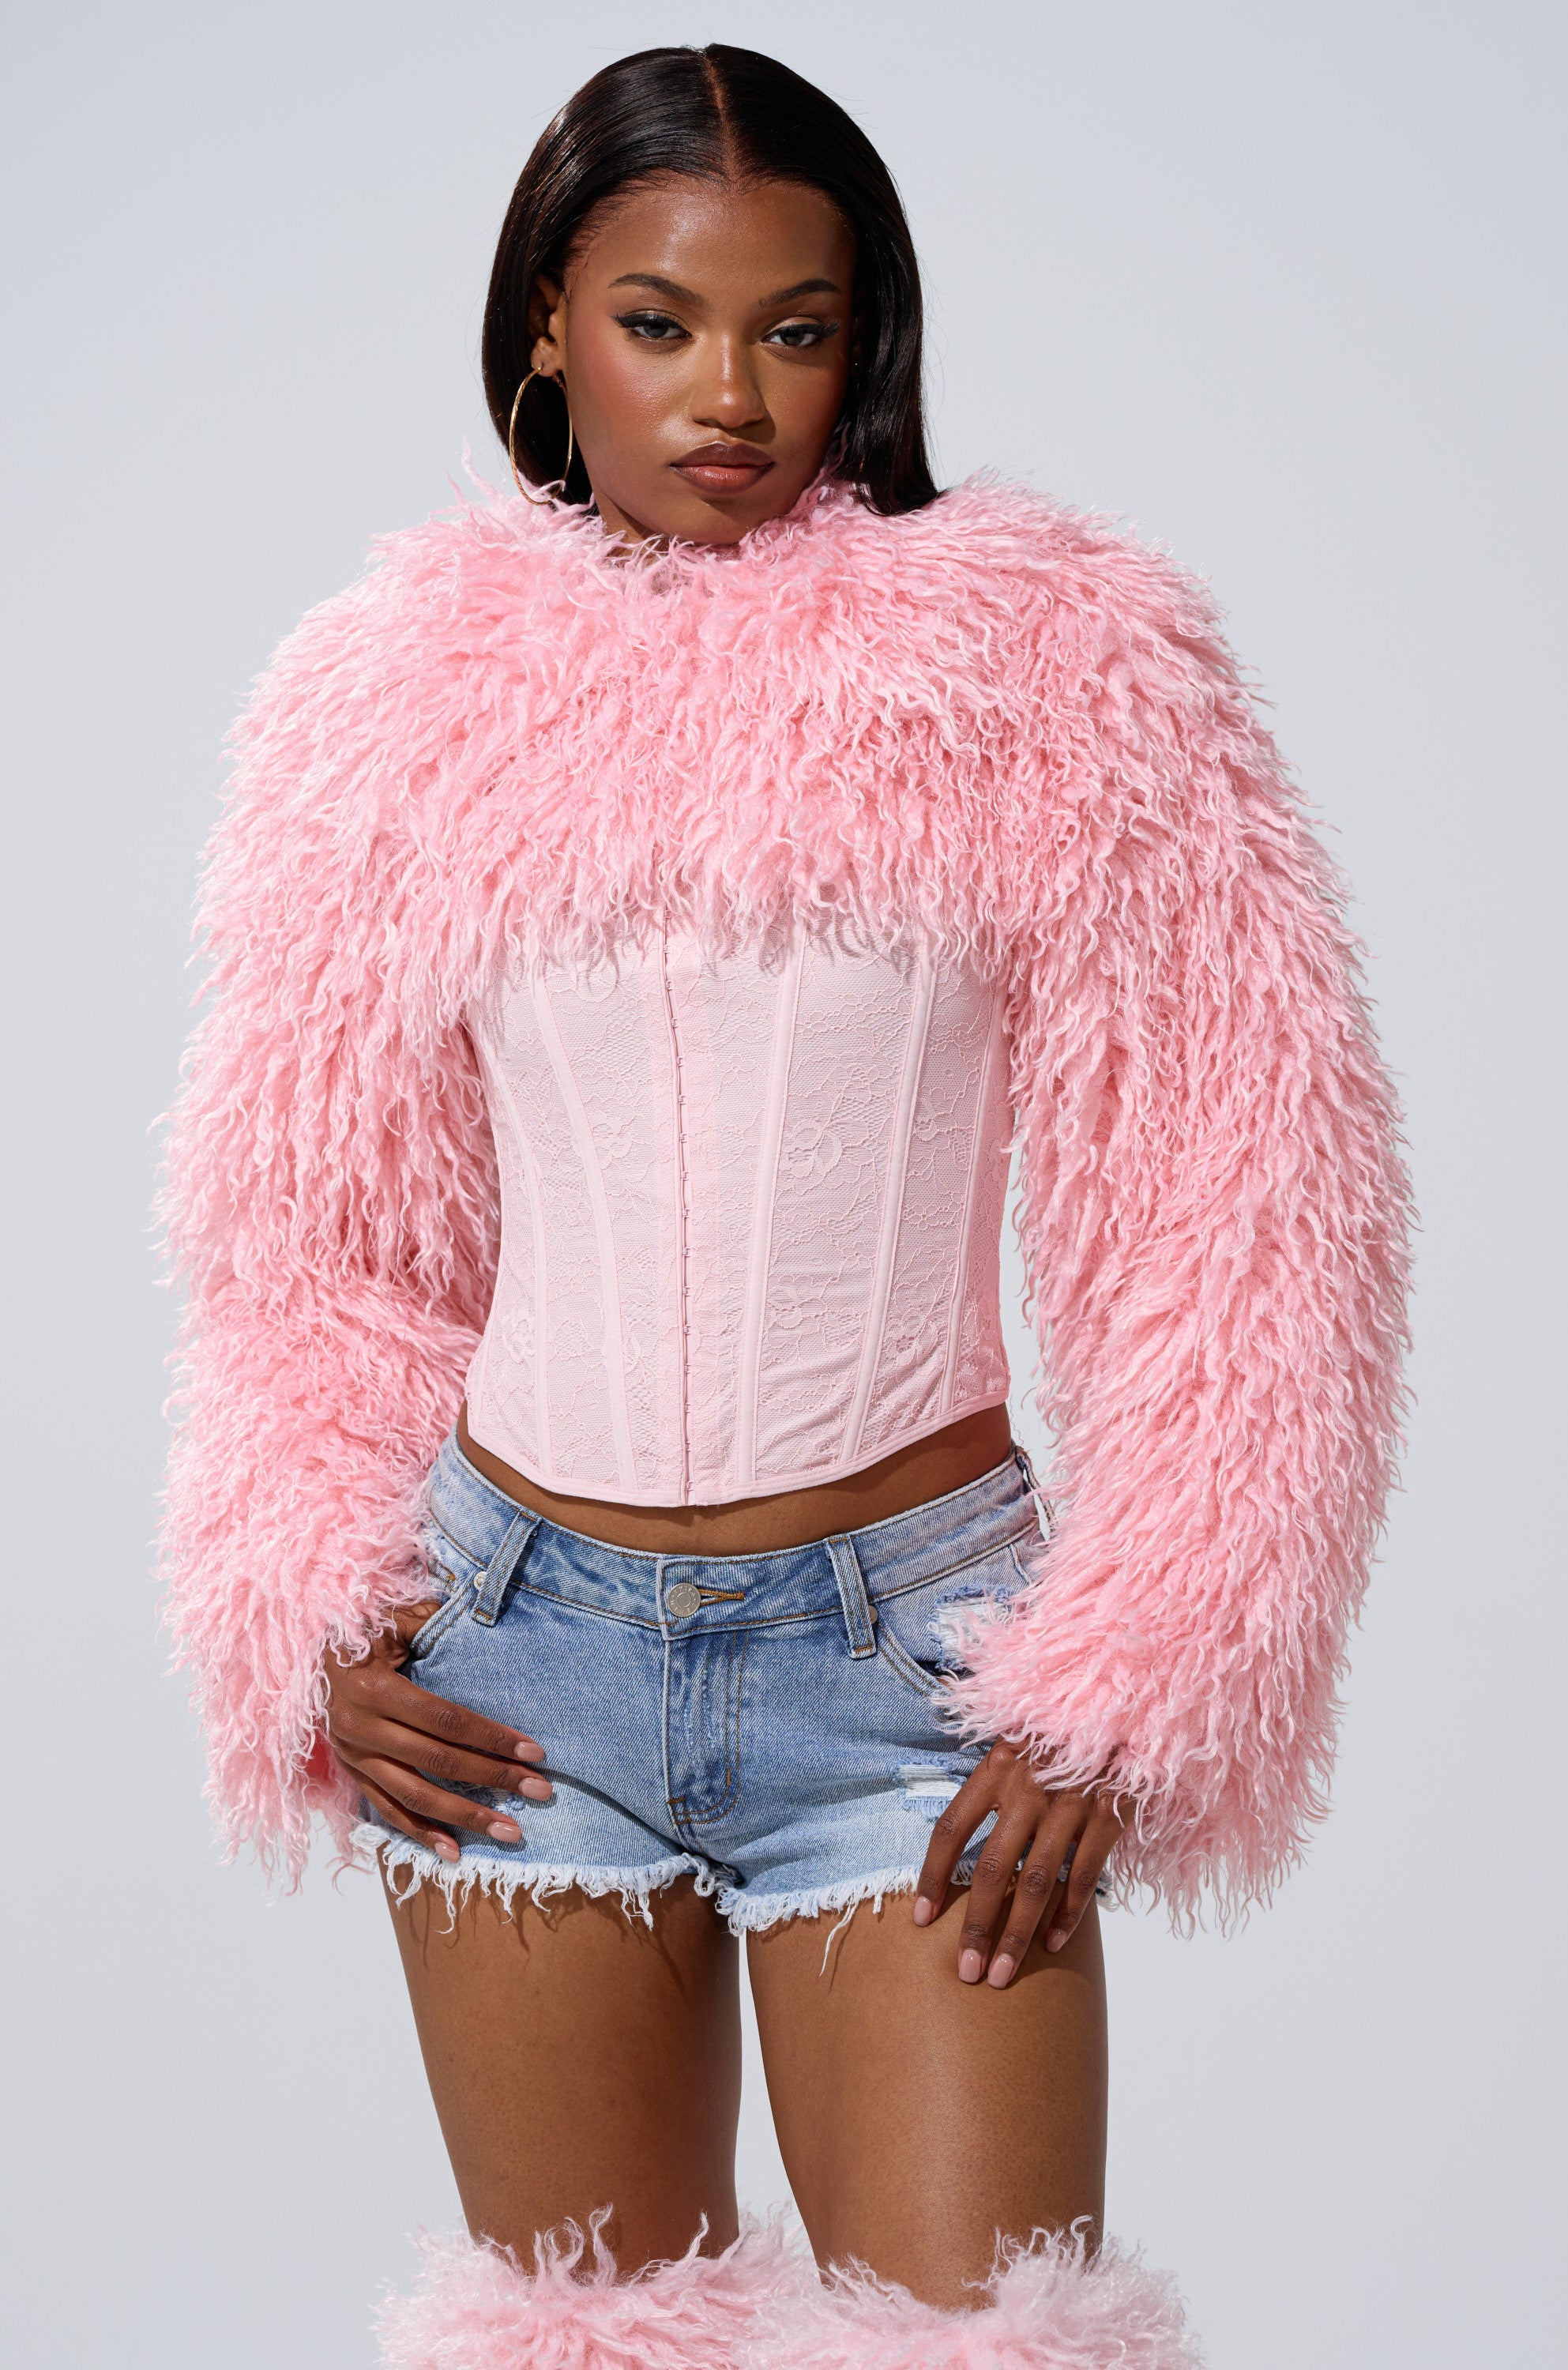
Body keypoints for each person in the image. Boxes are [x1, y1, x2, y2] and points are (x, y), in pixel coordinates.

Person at [157, 43, 1411, 2369]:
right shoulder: (394, 704)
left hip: (913, 1670)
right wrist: (314, 1594)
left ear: (867, 341)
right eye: (659, 321)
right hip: (516, 1669)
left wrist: (1134, 1672)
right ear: (551, 328)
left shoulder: (1053, 669)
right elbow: (314, 1225)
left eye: (794, 328)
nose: (729, 393)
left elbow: (1250, 1210)